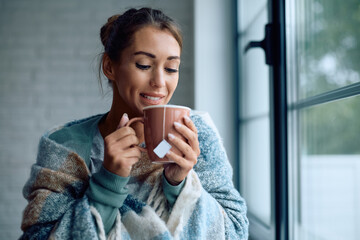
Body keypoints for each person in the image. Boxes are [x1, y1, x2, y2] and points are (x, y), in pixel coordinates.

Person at [20, 7, 249, 240]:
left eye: (171, 68)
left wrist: (180, 184)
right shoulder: (66, 146)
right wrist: (108, 182)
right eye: (143, 65)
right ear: (110, 67)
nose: (160, 82)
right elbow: (38, 237)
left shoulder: (195, 136)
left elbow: (235, 231)